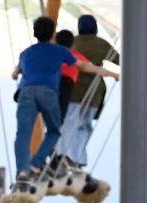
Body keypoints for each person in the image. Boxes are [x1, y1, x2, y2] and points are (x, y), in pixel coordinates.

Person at [10, 16, 118, 192]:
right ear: (53, 34)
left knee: (23, 133)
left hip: (26, 93)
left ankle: (22, 173)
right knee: (54, 130)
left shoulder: (26, 53)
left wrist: (20, 74)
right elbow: (85, 66)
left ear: (35, 33)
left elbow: (14, 74)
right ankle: (36, 164)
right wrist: (113, 74)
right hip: (48, 92)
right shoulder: (60, 51)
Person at [64, 15, 120, 168]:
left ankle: (66, 158)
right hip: (93, 93)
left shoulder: (72, 43)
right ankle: (79, 160)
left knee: (69, 125)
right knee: (84, 126)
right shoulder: (101, 44)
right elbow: (121, 61)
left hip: (72, 91)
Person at [54, 30, 86, 123]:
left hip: (51, 82)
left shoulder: (52, 53)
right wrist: (114, 74)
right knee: (60, 117)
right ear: (73, 46)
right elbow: (88, 66)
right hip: (66, 83)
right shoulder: (77, 56)